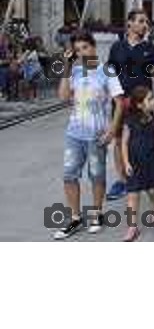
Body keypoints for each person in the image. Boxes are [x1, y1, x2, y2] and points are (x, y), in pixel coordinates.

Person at [53, 32, 124, 240]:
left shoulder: (106, 71)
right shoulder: (74, 72)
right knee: (69, 175)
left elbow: (119, 102)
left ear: (93, 48)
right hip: (74, 133)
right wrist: (66, 67)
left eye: (85, 47)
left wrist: (112, 128)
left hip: (96, 134)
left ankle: (97, 214)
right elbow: (64, 97)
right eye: (77, 50)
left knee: (97, 175)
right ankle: (74, 218)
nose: (82, 53)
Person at [105, 9, 154, 201]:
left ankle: (146, 178)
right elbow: (110, 73)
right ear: (129, 24)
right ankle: (123, 180)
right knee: (119, 139)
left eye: (146, 22)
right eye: (140, 21)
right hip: (121, 102)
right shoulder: (117, 47)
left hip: (142, 104)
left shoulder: (150, 48)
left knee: (144, 142)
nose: (144, 25)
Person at [122, 86, 154, 242]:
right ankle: (132, 227)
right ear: (139, 104)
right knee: (133, 195)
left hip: (151, 160)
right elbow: (124, 143)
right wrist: (125, 163)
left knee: (152, 190)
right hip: (134, 162)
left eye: (153, 98)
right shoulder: (129, 121)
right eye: (150, 99)